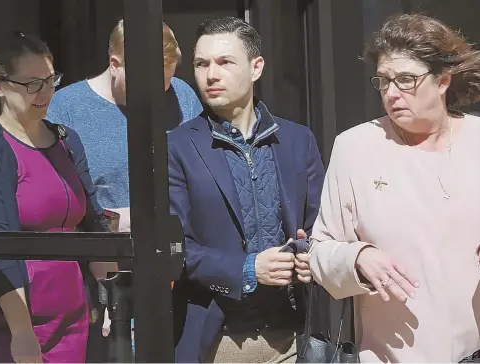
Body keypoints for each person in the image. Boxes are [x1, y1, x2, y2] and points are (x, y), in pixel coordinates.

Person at [297, 13, 480, 362]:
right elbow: (319, 250)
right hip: (390, 356)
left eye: (406, 80)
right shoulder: (356, 147)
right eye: (383, 82)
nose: (392, 93)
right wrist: (358, 257)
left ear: (443, 81)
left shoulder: (477, 140)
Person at [0, 32, 115, 363]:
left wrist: (111, 300)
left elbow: (94, 225)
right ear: (0, 85)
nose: (46, 92)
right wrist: (22, 335)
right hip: (7, 324)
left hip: (73, 321)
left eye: (51, 80)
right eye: (32, 84)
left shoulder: (67, 141)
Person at [168, 16, 325, 363]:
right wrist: (249, 269)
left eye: (224, 62)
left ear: (256, 68)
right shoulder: (176, 147)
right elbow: (174, 249)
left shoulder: (298, 141)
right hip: (215, 341)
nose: (210, 74)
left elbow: (322, 229)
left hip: (294, 339)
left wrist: (309, 257)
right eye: (201, 64)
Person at [46, 19, 203, 232]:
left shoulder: (182, 97)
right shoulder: (65, 109)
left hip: (181, 250)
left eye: (166, 80)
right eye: (148, 82)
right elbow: (52, 198)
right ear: (115, 65)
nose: (159, 92)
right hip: (105, 254)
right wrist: (115, 220)